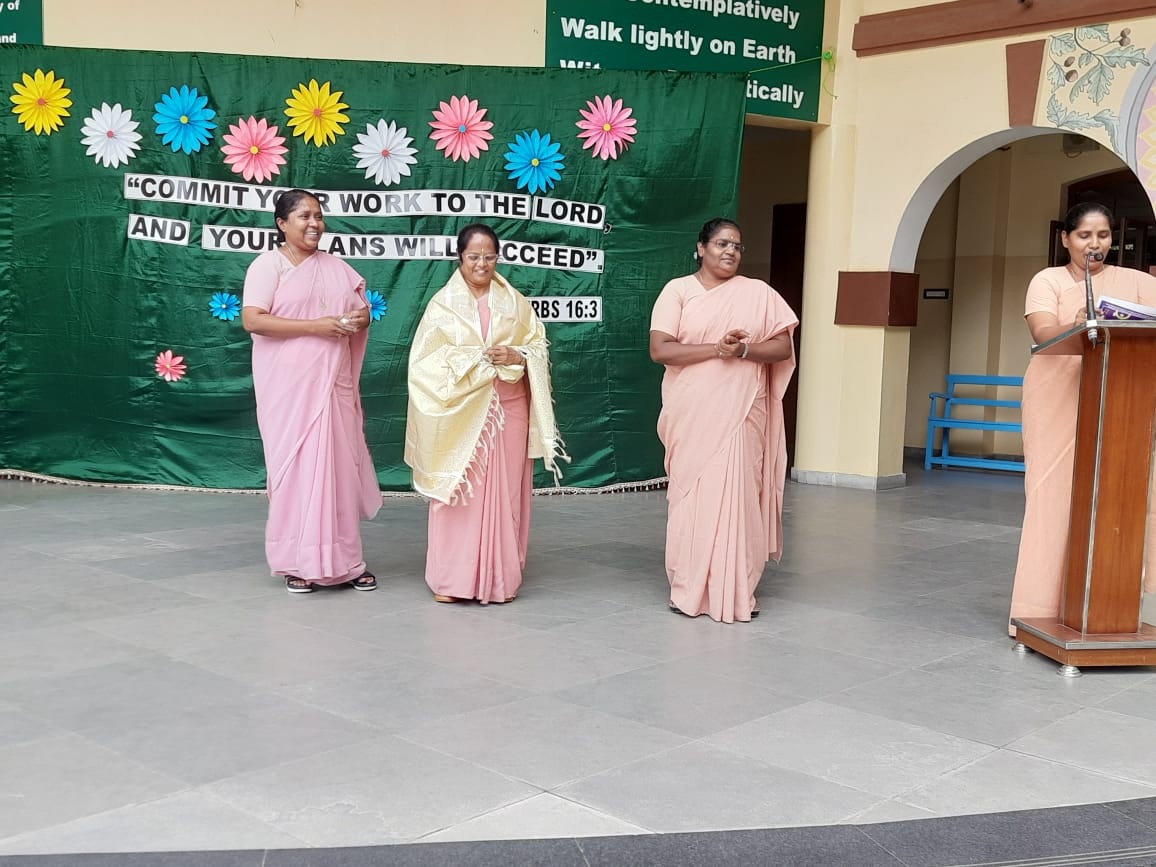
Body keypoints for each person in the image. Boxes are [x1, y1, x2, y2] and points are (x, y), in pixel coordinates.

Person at [1010, 202, 1156, 631]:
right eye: (1085, 235)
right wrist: (1076, 324)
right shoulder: (1048, 280)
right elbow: (1042, 333)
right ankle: (1037, 611)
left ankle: (1115, 608)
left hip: (1121, 397)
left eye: (1103, 235)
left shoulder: (1136, 282)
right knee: (1051, 496)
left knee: (1127, 494)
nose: (1096, 244)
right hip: (1056, 394)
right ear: (1066, 239)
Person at [405, 223, 565, 604]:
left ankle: (499, 579)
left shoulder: (516, 304)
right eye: (474, 257)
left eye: (489, 257)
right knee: (458, 488)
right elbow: (424, 363)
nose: (482, 264)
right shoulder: (442, 306)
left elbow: (537, 346)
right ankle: (452, 581)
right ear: (460, 258)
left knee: (506, 493)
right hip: (460, 414)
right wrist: (473, 362)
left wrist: (517, 355)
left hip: (509, 410)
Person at [649, 217, 798, 623]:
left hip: (743, 412)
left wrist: (744, 351)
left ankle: (736, 589)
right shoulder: (678, 291)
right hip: (692, 412)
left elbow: (782, 347)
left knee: (740, 496)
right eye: (721, 243)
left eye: (736, 245)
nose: (730, 251)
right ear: (701, 248)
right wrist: (717, 349)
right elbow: (661, 349)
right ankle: (689, 587)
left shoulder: (758, 294)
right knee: (692, 495)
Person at [241, 189, 381, 594]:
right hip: (288, 391)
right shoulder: (268, 266)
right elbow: (253, 320)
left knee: (339, 472)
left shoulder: (336, 267)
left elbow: (362, 312)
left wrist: (358, 319)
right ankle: (296, 562)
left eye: (318, 216)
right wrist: (316, 326)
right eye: (304, 216)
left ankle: (347, 562)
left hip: (333, 386)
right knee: (296, 473)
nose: (315, 224)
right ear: (282, 223)